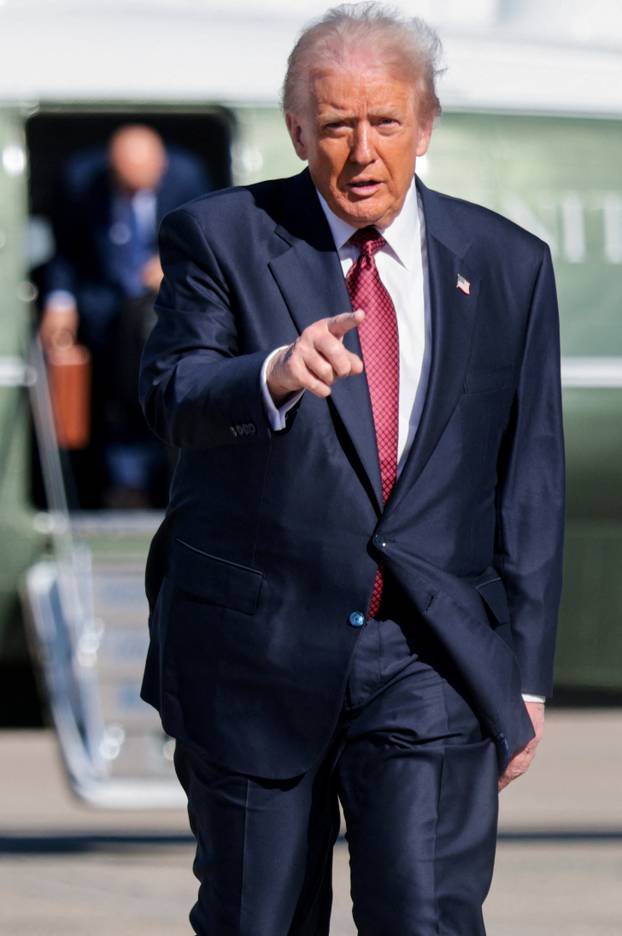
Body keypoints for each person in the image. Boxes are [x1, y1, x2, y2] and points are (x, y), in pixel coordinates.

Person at [139, 4, 565, 933]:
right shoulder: (219, 236)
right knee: (259, 919)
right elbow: (173, 392)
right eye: (336, 125)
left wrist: (526, 675)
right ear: (297, 131)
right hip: (257, 649)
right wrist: (270, 376)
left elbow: (529, 478)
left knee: (424, 915)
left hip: (429, 652)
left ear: (426, 125)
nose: (362, 151)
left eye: (385, 122)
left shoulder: (507, 264)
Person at [40, 124, 210, 507]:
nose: (134, 194)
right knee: (111, 399)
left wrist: (172, 262)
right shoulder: (80, 180)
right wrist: (60, 301)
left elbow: (211, 241)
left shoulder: (188, 178)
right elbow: (66, 249)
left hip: (161, 311)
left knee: (162, 389)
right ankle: (123, 485)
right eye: (126, 185)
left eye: (142, 185)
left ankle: (164, 485)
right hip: (103, 306)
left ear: (161, 168)